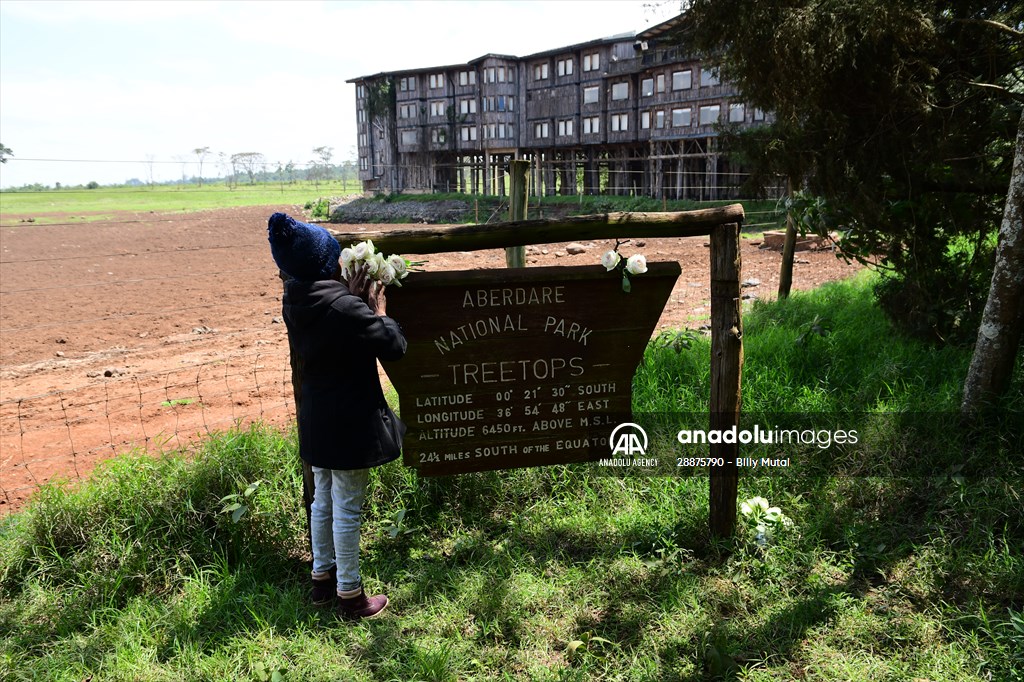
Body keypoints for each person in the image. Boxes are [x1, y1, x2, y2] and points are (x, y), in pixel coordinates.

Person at [267, 211, 407, 620]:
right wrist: (377, 308)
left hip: (317, 420)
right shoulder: (346, 307)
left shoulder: (296, 299)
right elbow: (393, 344)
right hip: (351, 423)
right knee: (347, 506)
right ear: (328, 262)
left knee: (323, 500)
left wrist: (354, 301)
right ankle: (351, 595)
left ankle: (322, 580)